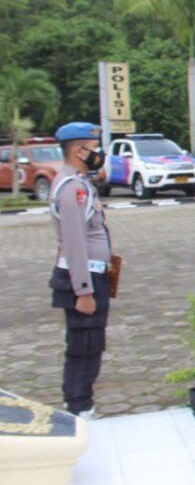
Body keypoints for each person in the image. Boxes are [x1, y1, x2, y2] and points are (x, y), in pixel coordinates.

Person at [48, 122, 112, 419]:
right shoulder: (72, 189)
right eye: (94, 147)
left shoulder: (76, 182)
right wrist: (84, 291)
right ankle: (79, 408)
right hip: (83, 278)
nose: (99, 153)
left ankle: (80, 404)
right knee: (84, 346)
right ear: (79, 150)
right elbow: (74, 243)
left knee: (89, 344)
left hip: (89, 274)